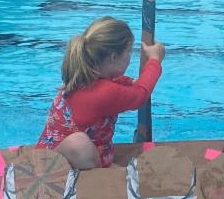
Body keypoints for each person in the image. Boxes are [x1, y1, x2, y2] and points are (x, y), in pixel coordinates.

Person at [37, 17, 166, 169]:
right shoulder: (103, 93)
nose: (130, 57)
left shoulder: (83, 75)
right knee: (79, 144)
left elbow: (117, 84)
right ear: (114, 57)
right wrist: (155, 60)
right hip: (52, 165)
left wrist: (130, 82)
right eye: (129, 51)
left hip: (71, 154)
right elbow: (140, 96)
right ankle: (102, 175)